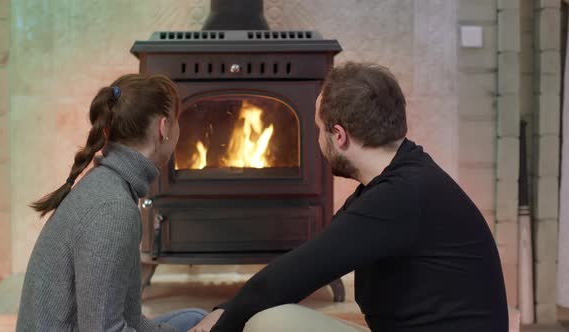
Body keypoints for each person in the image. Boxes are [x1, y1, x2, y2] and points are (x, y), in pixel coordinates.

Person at [189, 62, 509, 332]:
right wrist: (229, 308)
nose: (317, 139)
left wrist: (221, 323)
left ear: (339, 136)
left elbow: (287, 280)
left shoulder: (400, 196)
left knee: (268, 322)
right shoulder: (403, 178)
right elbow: (302, 266)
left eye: (318, 129)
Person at [16, 74, 207, 332]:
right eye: (177, 121)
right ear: (164, 128)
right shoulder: (113, 210)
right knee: (200, 322)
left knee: (197, 318)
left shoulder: (108, 186)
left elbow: (121, 317)